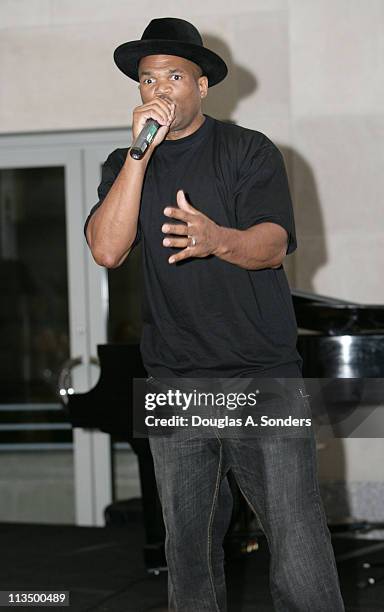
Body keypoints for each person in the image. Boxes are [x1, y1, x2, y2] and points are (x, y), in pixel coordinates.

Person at [84, 17, 345, 612]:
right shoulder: (126, 164)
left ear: (203, 86)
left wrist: (216, 239)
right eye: (149, 80)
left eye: (175, 76)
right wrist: (136, 156)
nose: (160, 90)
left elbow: (273, 246)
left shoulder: (248, 151)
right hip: (175, 379)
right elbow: (106, 249)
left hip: (262, 377)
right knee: (189, 556)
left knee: (298, 548)